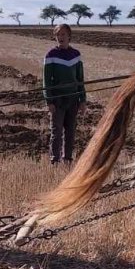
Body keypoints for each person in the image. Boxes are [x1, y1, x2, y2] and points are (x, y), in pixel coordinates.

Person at [43, 23, 86, 164]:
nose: (60, 37)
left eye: (63, 34)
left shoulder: (76, 55)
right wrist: (49, 101)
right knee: (56, 131)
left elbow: (80, 79)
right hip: (57, 101)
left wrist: (82, 100)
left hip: (73, 100)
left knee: (70, 131)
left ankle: (67, 159)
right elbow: (46, 81)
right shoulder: (51, 55)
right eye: (58, 35)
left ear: (69, 36)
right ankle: (54, 160)